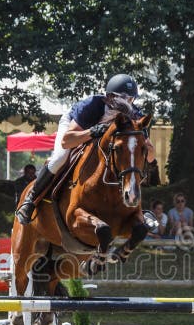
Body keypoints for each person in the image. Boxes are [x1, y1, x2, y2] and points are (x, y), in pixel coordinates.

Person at [15, 74, 156, 224]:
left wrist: (147, 146)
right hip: (75, 130)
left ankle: (136, 211)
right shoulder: (91, 106)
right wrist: (91, 132)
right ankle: (31, 199)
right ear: (109, 96)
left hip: (102, 145)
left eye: (131, 99)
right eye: (123, 98)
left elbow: (150, 158)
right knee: (60, 158)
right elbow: (66, 141)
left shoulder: (134, 115)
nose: (127, 103)